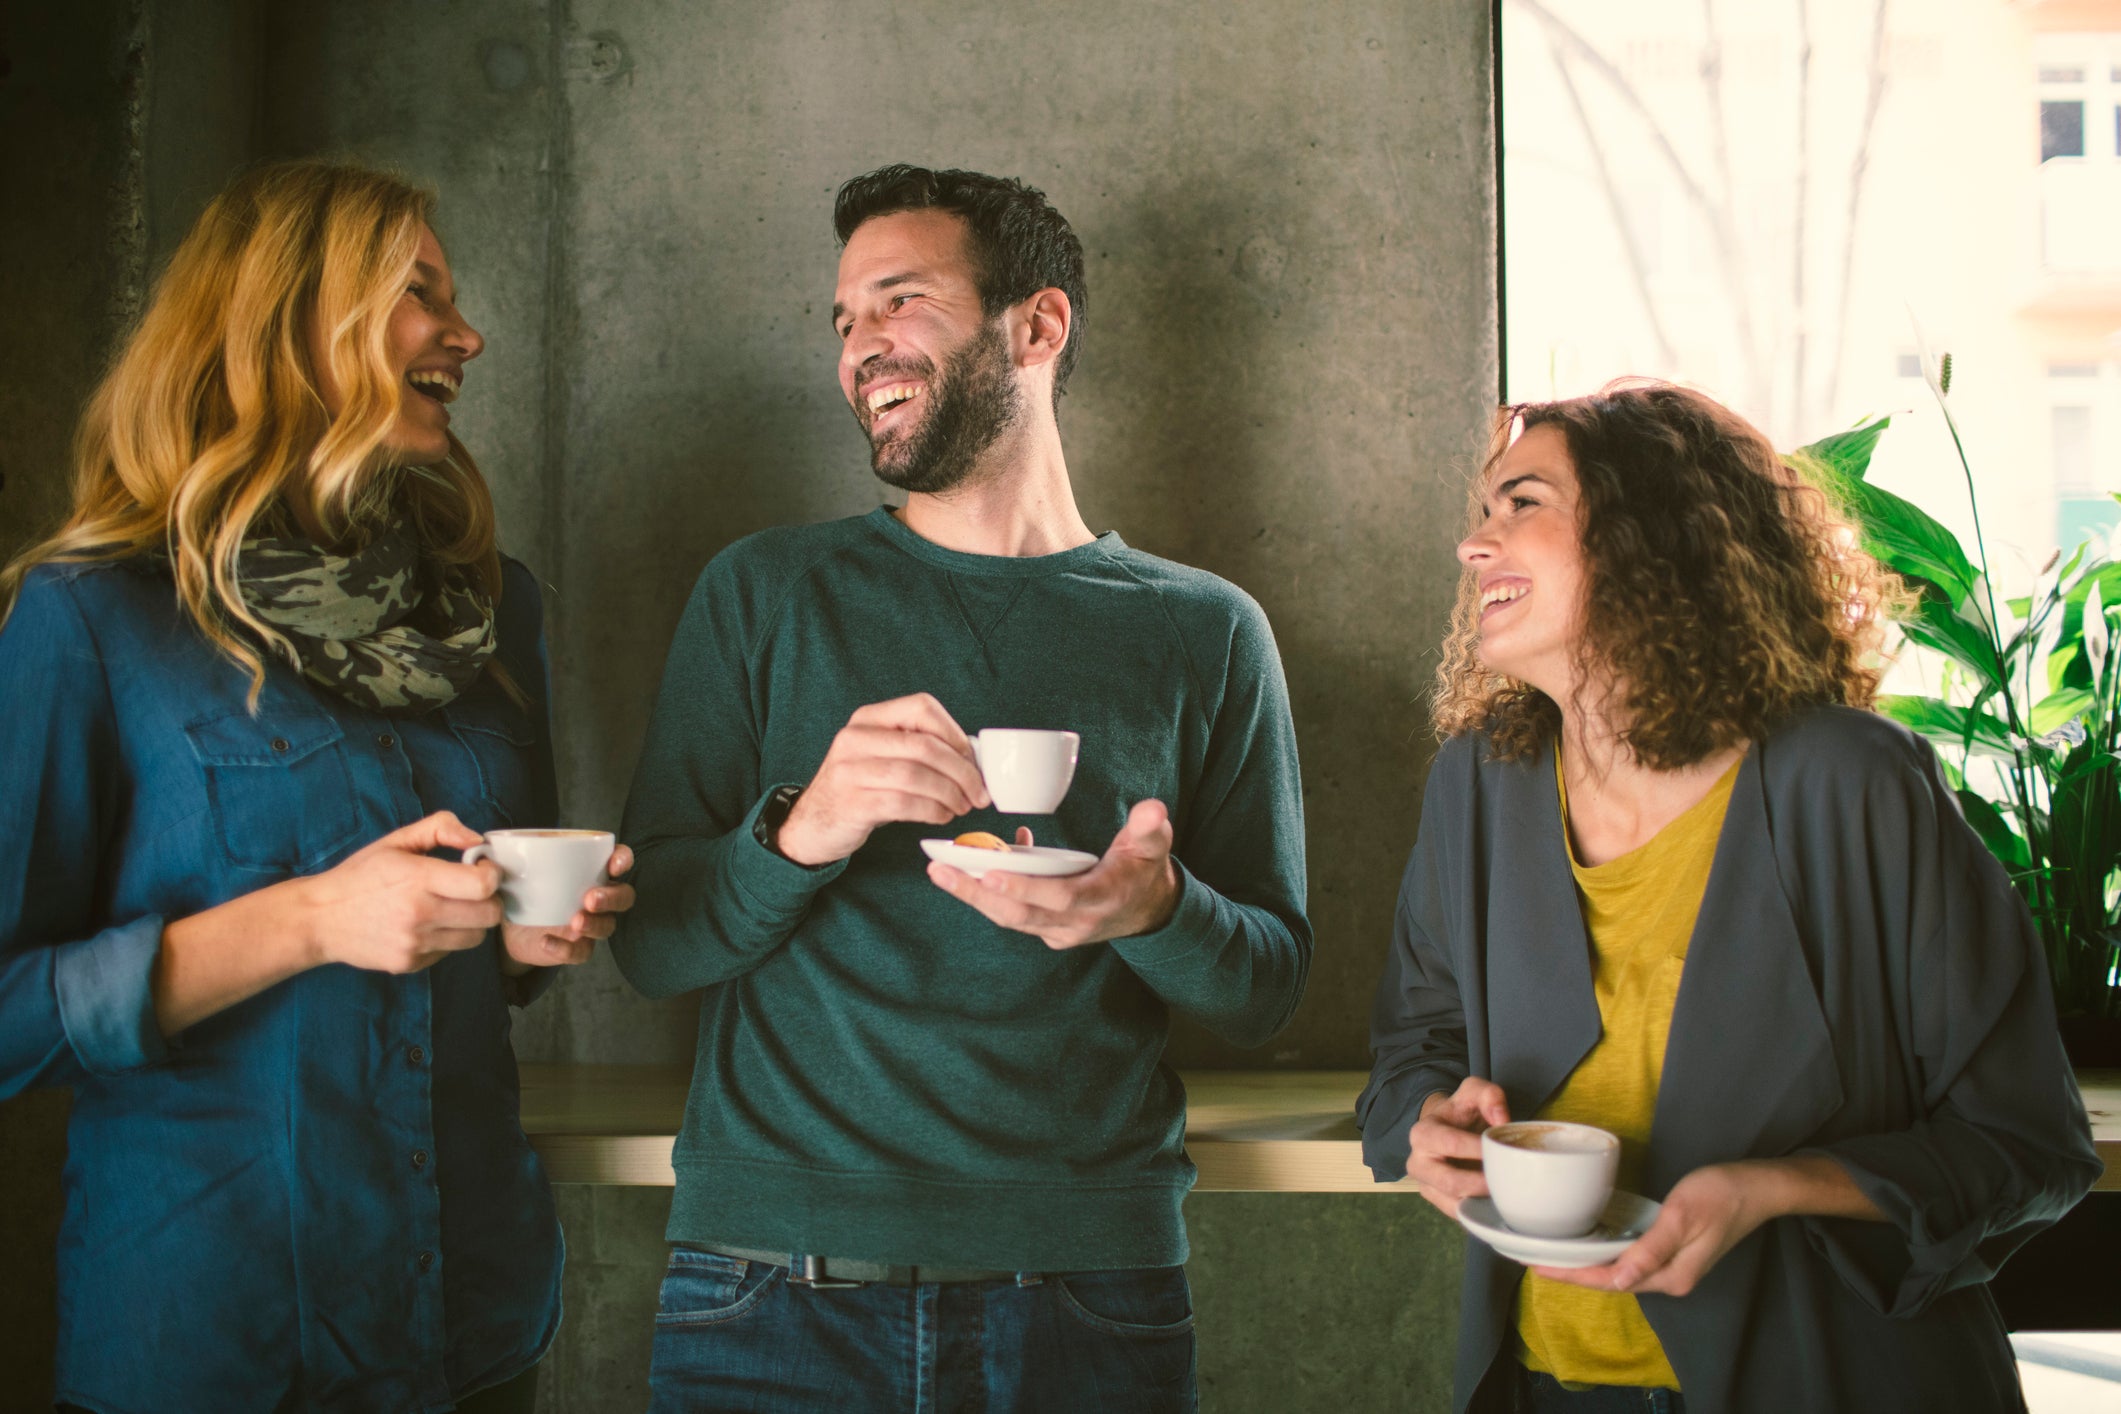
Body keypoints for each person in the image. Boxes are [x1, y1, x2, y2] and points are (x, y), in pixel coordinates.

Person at [614, 164, 1311, 1413]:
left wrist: (1153, 913)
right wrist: (802, 829)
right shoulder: (765, 594)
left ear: (1035, 326)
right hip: (767, 1292)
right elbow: (652, 942)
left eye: (899, 302)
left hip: (1092, 1295)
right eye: (842, 320)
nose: (858, 348)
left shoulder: (1207, 632)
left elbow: (1266, 984)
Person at [0, 160, 635, 1413]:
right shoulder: (94, 616)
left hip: (473, 1327)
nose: (469, 333)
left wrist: (527, 937)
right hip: (215, 1339)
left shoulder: (494, 607)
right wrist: (308, 920)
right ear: (288, 325)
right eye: (418, 294)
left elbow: (475, 950)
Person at [1357, 382, 2100, 1413]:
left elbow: (2027, 1144)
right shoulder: (1479, 782)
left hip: (1832, 1377)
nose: (1474, 546)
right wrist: (1428, 1128)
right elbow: (1412, 1054)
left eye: (1521, 503)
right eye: (1481, 513)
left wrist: (1772, 1187)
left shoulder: (1852, 782)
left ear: (1650, 534)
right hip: (1546, 1385)